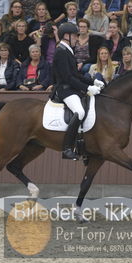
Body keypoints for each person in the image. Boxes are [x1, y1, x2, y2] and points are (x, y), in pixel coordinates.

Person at [52, 23, 102, 160]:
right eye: (74, 35)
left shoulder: (68, 50)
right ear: (66, 36)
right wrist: (87, 88)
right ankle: (67, 148)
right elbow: (68, 78)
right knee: (79, 112)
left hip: (72, 88)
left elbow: (76, 75)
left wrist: (93, 82)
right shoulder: (61, 51)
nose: (76, 38)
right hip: (65, 90)